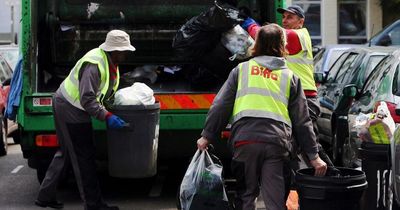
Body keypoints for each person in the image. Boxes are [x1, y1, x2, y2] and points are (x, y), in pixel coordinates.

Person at [197, 24, 327, 210]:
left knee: (246, 196)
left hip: (245, 141)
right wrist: (314, 156)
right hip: (277, 143)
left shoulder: (241, 71)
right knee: (275, 201)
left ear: (256, 44)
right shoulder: (290, 77)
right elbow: (302, 121)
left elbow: (221, 106)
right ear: (283, 45)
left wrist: (207, 136)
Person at [35, 30, 135, 210]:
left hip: (71, 105)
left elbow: (102, 92)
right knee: (84, 156)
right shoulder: (94, 65)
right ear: (114, 50)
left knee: (67, 152)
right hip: (71, 107)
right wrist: (107, 117)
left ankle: (45, 196)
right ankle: (93, 204)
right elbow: (87, 99)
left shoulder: (110, 62)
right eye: (124, 50)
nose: (126, 53)